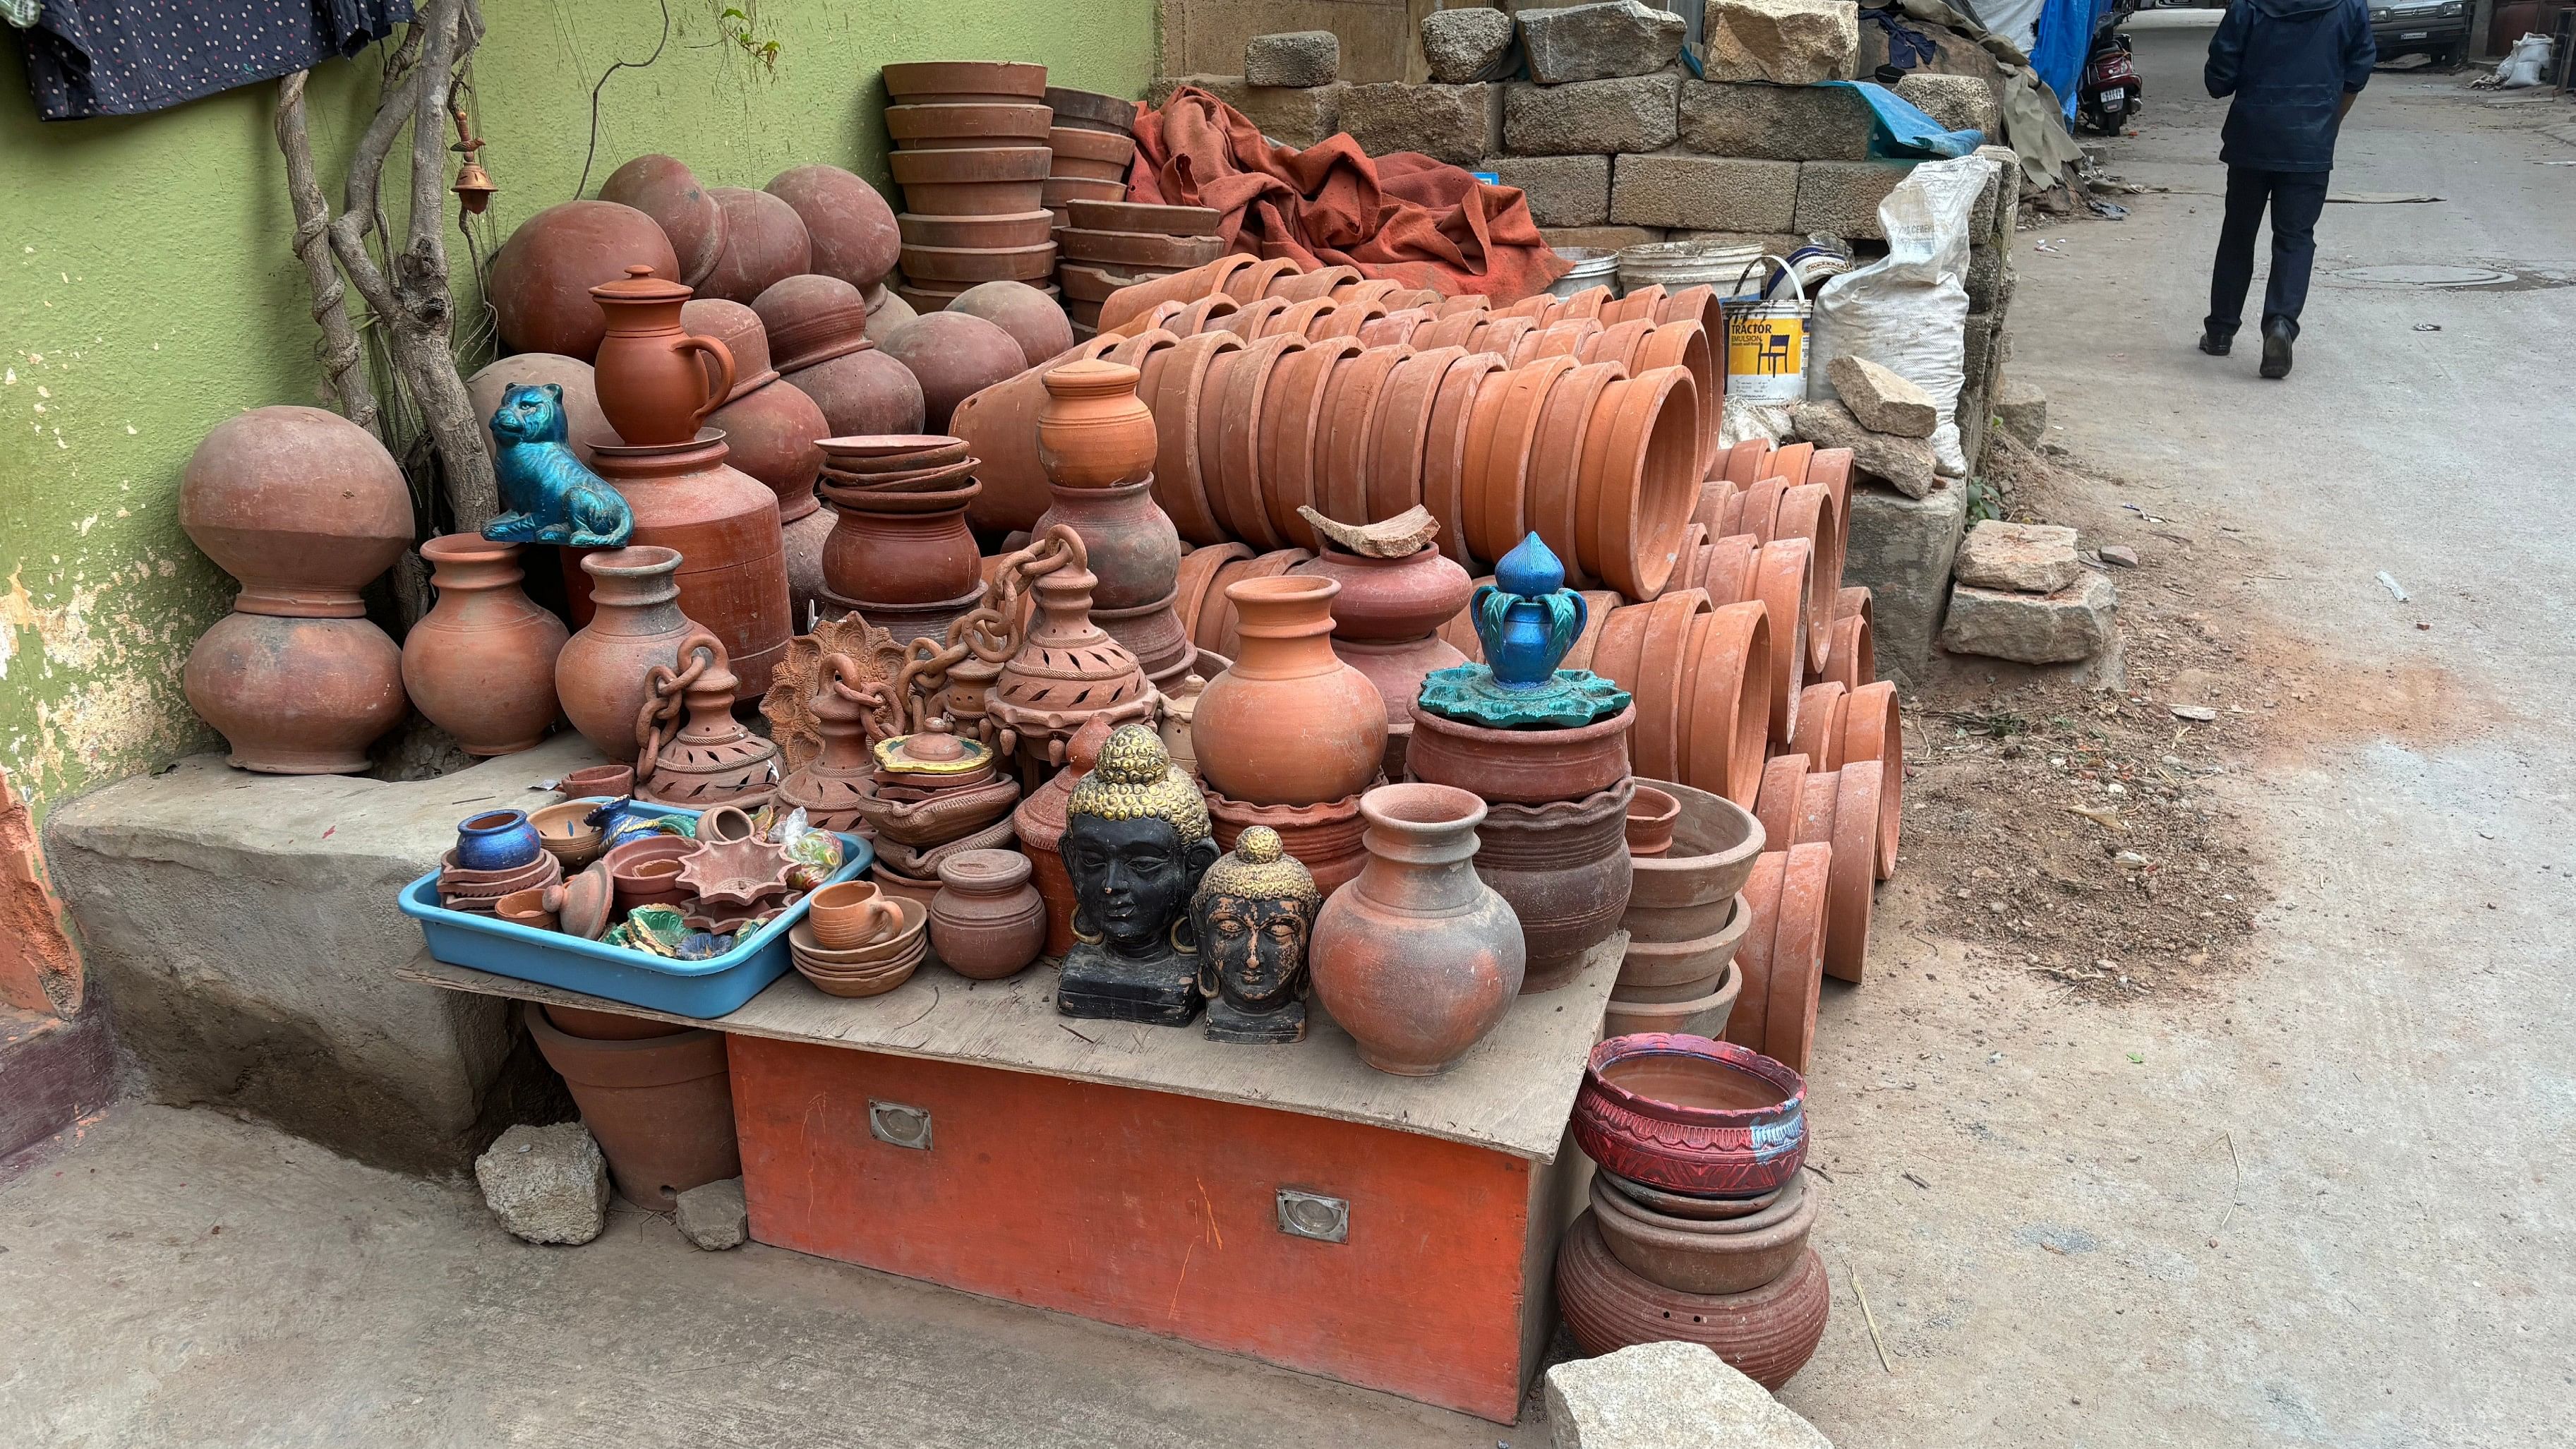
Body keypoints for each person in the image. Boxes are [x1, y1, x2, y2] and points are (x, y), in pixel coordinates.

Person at [2201, 0, 2376, 378]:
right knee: (2295, 238)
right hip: (2311, 144)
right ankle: (2280, 324)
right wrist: (2330, 120)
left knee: (2238, 233)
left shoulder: (2248, 6)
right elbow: (2359, 71)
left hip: (2252, 139)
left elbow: (2218, 79)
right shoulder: (2350, 6)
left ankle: (2219, 332)